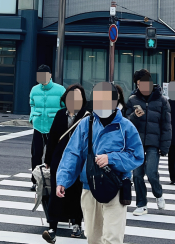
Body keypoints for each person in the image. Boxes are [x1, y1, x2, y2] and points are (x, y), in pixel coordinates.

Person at [56, 83, 145, 244]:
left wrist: (111, 159)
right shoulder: (86, 124)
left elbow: (137, 156)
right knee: (93, 237)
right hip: (90, 187)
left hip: (116, 187)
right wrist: (63, 180)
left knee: (112, 238)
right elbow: (73, 153)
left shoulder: (126, 126)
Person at [43, 85, 89, 242]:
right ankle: (52, 226)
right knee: (57, 192)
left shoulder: (87, 116)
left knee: (76, 192)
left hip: (79, 160)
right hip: (59, 159)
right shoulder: (60, 115)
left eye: (78, 97)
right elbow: (52, 138)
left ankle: (76, 224)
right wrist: (47, 160)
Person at [125, 69, 172, 216]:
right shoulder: (132, 100)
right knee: (137, 174)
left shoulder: (162, 100)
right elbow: (125, 121)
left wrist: (164, 147)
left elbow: (166, 125)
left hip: (153, 142)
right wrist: (134, 116)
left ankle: (158, 194)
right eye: (139, 84)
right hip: (136, 143)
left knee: (151, 172)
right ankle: (141, 204)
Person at [30, 64, 67, 190]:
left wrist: (61, 123)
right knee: (36, 154)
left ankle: (54, 179)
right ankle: (35, 181)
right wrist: (32, 117)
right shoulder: (34, 90)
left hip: (54, 128)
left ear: (50, 75)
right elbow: (32, 104)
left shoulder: (60, 89)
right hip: (38, 126)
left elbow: (64, 108)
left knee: (54, 155)